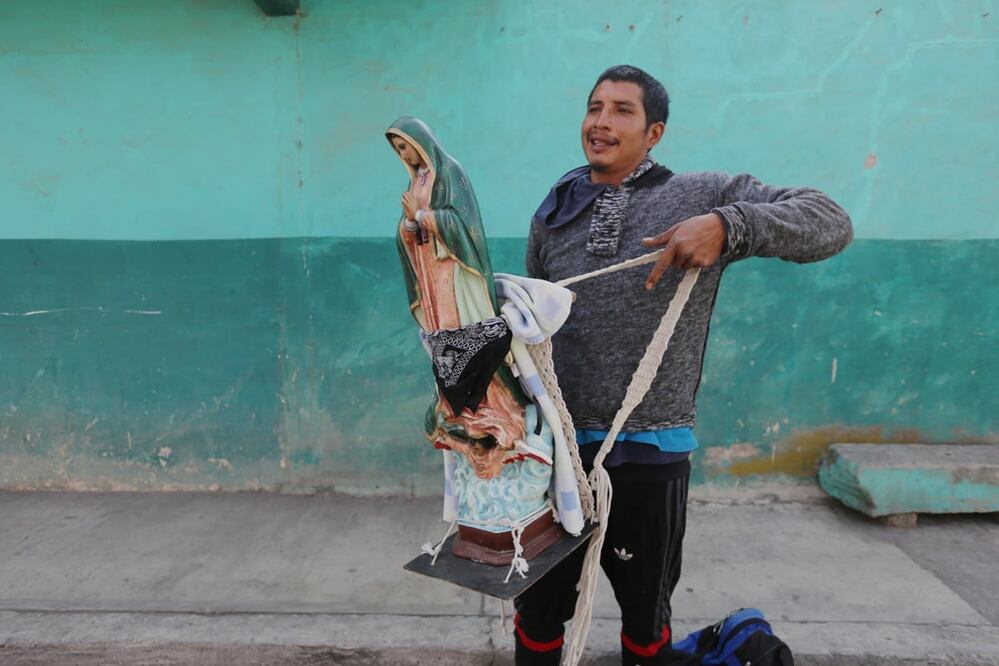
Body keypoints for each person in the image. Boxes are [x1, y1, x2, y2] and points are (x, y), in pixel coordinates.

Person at [513, 65, 853, 665]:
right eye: (594, 107)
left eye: (622, 110)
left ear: (655, 133)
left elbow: (829, 221)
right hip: (555, 453)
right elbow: (533, 330)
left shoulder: (703, 194)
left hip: (650, 449)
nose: (601, 121)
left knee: (646, 618)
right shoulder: (554, 210)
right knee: (537, 612)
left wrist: (730, 225)